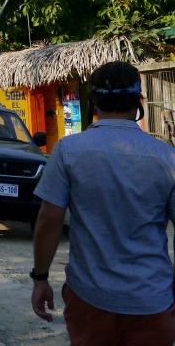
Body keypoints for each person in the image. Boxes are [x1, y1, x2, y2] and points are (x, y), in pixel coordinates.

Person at [30, 60, 175, 345]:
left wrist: (40, 278)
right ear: (138, 102)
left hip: (90, 298)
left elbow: (49, 219)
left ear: (93, 101)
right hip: (152, 300)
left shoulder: (68, 151)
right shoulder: (166, 157)